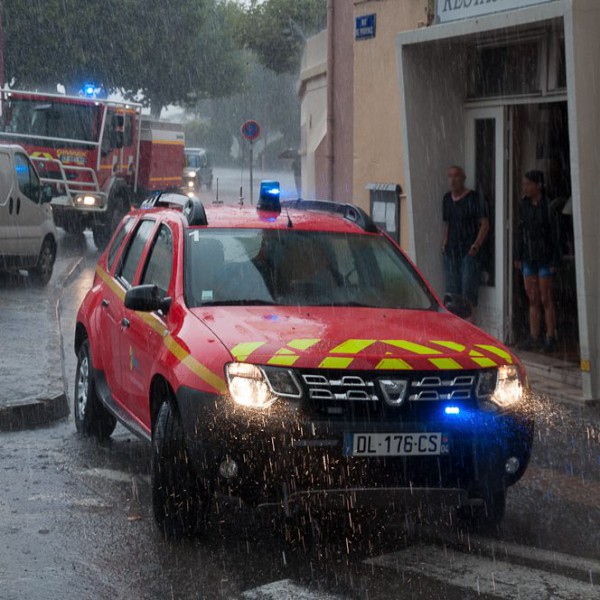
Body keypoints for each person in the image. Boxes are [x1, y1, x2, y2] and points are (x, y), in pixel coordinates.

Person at [515, 170, 560, 353]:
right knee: (532, 298)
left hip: (545, 257)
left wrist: (554, 259)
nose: (525, 188)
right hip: (529, 256)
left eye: (528, 184)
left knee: (545, 297)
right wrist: (518, 255)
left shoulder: (548, 206)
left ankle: (550, 336)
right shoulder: (523, 205)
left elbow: (555, 234)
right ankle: (534, 336)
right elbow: (521, 231)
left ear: (537, 185)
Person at [441, 166, 490, 321]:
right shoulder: (447, 199)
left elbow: (485, 224)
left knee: (467, 294)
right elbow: (448, 224)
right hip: (451, 252)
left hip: (468, 252)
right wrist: (444, 243)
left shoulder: (474, 198)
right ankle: (454, 331)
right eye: (450, 176)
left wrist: (476, 245)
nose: (452, 180)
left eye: (456, 176)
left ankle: (469, 329)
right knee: (452, 293)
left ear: (463, 178)